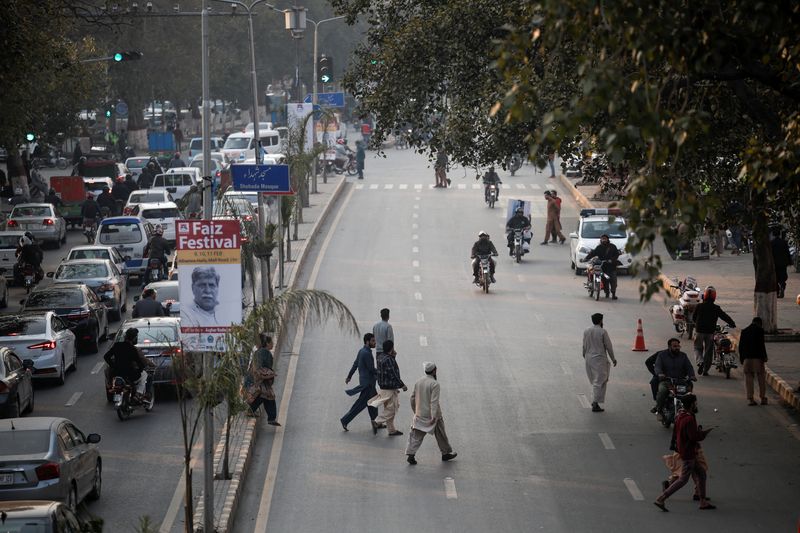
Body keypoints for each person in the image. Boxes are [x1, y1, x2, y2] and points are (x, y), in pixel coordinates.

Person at [654, 394, 715, 511]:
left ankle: (703, 501)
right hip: (689, 453)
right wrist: (704, 433)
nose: (696, 405)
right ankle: (661, 498)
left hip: (685, 450)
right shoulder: (689, 418)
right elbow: (693, 437)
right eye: (695, 403)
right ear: (692, 404)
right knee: (683, 479)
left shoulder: (680, 415)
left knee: (701, 473)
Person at [405, 362, 457, 465]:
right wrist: (433, 416)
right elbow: (434, 401)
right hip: (434, 416)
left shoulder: (419, 381)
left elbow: (412, 398)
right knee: (441, 434)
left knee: (416, 436)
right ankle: (445, 453)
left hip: (420, 414)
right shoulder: (435, 384)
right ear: (434, 371)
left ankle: (411, 454)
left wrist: (415, 411)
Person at [341, 333, 381, 433]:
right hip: (368, 385)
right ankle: (345, 420)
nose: (375, 342)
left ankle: (376, 422)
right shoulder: (367, 353)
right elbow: (371, 369)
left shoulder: (362, 351)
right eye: (373, 341)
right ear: (367, 342)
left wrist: (349, 376)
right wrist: (382, 372)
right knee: (359, 405)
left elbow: (355, 364)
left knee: (373, 404)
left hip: (367, 383)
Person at [692, 287, 736, 375]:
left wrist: (696, 324)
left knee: (697, 348)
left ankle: (700, 362)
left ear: (704, 296)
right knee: (708, 352)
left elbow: (694, 317)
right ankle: (705, 370)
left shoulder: (699, 306)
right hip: (710, 332)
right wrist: (732, 323)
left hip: (699, 331)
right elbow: (724, 316)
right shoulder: (716, 308)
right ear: (714, 297)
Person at [369, 340, 407, 436]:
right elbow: (392, 373)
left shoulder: (380, 357)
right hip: (389, 387)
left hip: (383, 386)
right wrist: (402, 385)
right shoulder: (388, 359)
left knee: (390, 407)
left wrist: (393, 356)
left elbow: (387, 369)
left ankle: (391, 430)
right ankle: (377, 422)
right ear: (391, 348)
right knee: (393, 408)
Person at [104, 328, 153, 398]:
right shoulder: (132, 349)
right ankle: (138, 393)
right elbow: (140, 363)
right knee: (144, 375)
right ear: (134, 338)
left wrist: (113, 366)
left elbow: (106, 356)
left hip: (117, 373)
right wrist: (141, 369)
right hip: (130, 375)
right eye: (136, 337)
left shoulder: (117, 345)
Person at [582, 313, 617, 412]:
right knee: (599, 381)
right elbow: (609, 347)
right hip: (599, 360)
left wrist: (584, 354)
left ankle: (595, 401)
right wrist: (613, 359)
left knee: (595, 381)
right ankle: (595, 403)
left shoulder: (587, 330)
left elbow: (584, 345)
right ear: (601, 321)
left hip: (589, 358)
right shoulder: (602, 332)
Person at [653, 338, 697, 418]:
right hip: (667, 381)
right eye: (675, 346)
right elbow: (657, 366)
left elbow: (689, 367)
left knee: (690, 391)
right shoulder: (662, 355)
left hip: (681, 381)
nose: (677, 348)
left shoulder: (683, 355)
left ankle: (691, 408)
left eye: (678, 346)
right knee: (662, 392)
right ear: (669, 347)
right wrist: (660, 374)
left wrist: (692, 375)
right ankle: (659, 410)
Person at [247, 334, 280, 426]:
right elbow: (262, 367)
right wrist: (268, 374)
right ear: (268, 343)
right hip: (259, 379)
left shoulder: (259, 351)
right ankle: (270, 417)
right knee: (267, 395)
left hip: (257, 378)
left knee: (266, 396)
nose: (272, 344)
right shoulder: (265, 352)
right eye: (271, 342)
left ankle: (270, 417)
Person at [738, 316, 768, 405]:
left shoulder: (744, 331)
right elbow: (761, 345)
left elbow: (741, 347)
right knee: (761, 377)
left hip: (747, 358)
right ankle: (763, 398)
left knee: (749, 379)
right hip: (758, 358)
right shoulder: (760, 331)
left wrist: (742, 359)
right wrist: (764, 356)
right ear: (759, 323)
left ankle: (751, 399)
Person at [582, 234, 621, 299]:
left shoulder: (613, 247)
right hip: (603, 267)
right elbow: (592, 253)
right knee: (605, 281)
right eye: (602, 239)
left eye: (605, 239)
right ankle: (607, 293)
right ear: (600, 240)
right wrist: (586, 258)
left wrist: (611, 260)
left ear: (608, 239)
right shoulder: (599, 247)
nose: (604, 240)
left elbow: (616, 255)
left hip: (612, 267)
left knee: (613, 281)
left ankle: (613, 294)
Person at [770, 227, 792, 298]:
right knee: (783, 276)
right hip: (783, 263)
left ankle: (777, 291)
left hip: (775, 263)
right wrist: (790, 261)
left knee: (775, 277)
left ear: (773, 234)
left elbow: (770, 254)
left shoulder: (772, 243)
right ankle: (782, 285)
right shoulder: (784, 242)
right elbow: (787, 252)